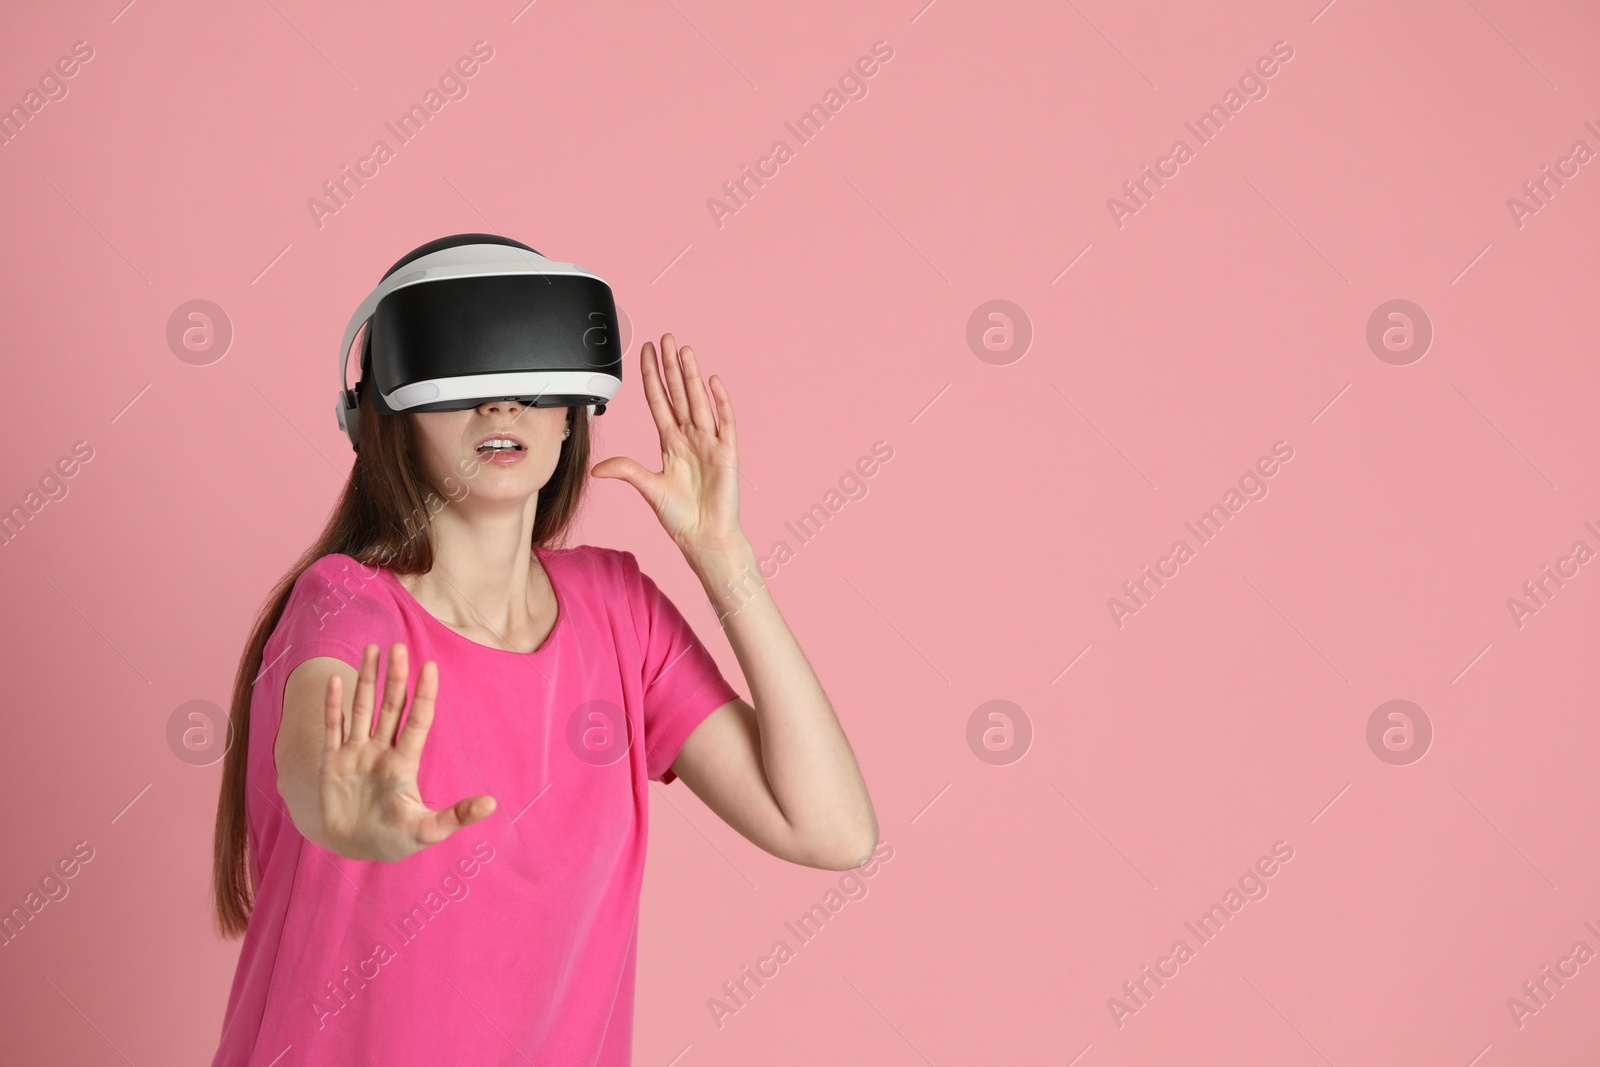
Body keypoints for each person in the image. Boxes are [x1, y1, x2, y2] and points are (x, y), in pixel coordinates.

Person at [206, 272, 878, 1063]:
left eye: (531, 378)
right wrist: (335, 809)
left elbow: (832, 830)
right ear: (387, 416)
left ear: (573, 414)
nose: (502, 406)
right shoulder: (345, 603)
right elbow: (311, 751)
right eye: (463, 378)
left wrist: (723, 557)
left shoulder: (618, 609)